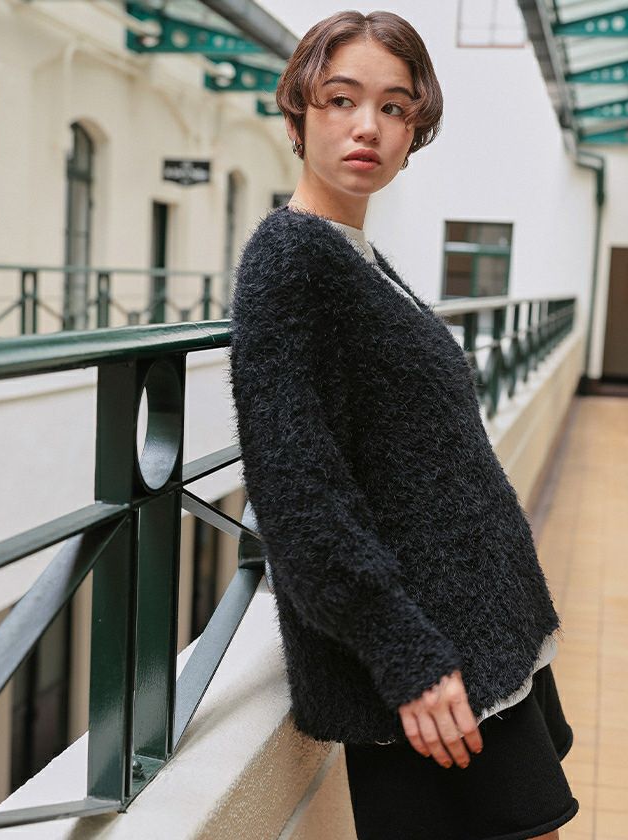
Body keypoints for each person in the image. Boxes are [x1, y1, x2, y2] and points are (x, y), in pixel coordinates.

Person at [229, 10, 579, 840]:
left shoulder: (352, 253)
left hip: (479, 634)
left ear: (415, 128)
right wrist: (406, 656)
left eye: (394, 107)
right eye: (341, 99)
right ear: (298, 112)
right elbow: (299, 496)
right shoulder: (290, 261)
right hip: (435, 664)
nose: (368, 127)